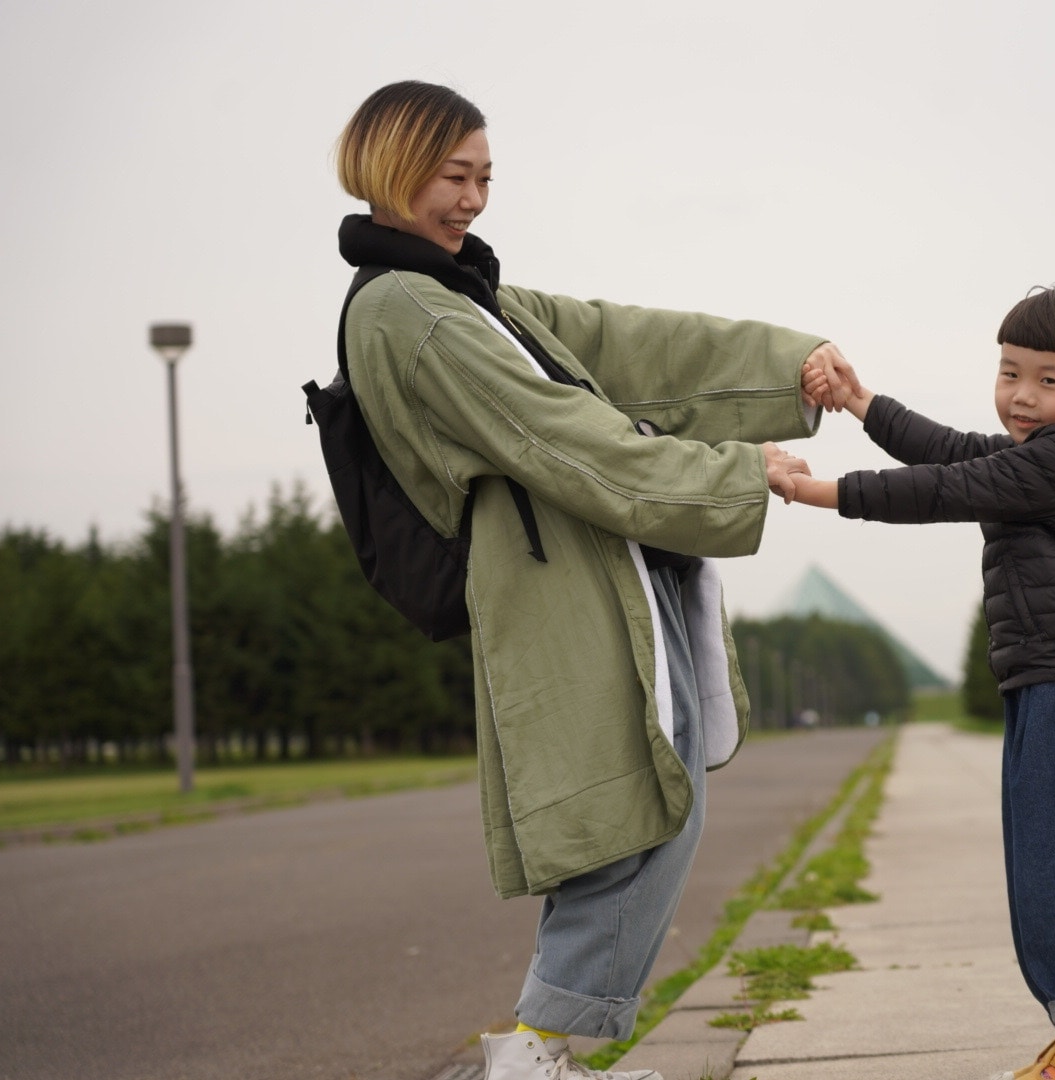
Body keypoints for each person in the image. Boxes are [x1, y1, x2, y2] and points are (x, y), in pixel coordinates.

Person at [332, 81, 855, 1080]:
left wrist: (787, 366)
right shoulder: (411, 313)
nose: (474, 199)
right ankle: (536, 1051)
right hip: (554, 580)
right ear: (390, 165)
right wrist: (739, 471)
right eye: (454, 176)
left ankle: (545, 1048)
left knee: (646, 791)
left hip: (595, 565)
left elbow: (626, 346)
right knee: (635, 794)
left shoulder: (463, 295)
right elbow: (565, 441)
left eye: (485, 177)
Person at [792, 286, 1055, 1080]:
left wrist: (814, 490)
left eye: (1048, 380)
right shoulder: (1040, 455)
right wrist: (861, 402)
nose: (1021, 395)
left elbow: (946, 490)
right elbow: (953, 452)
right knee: (1048, 867)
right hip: (1053, 689)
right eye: (1009, 372)